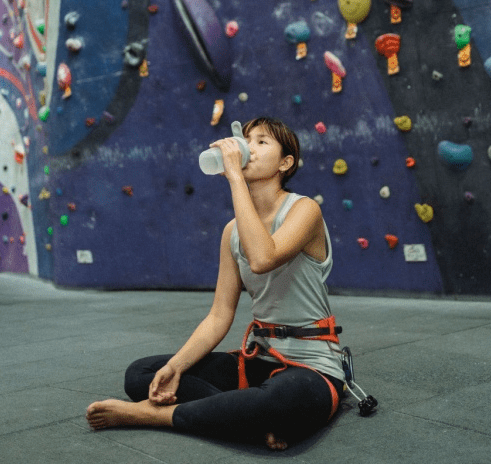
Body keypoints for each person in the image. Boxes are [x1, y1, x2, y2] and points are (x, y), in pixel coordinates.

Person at [86, 116, 345, 450]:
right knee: (142, 374)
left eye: (261, 142)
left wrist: (235, 177)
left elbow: (263, 258)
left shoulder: (305, 210)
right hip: (259, 360)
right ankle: (247, 420)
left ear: (286, 162)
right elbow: (220, 314)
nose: (248, 147)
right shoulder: (231, 232)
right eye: (246, 140)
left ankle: (154, 416)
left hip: (313, 366)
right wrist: (176, 366)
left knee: (280, 401)